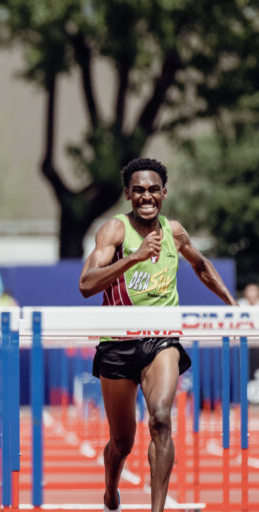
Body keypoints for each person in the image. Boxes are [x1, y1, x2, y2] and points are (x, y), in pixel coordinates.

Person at [78, 158, 237, 512]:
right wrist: (133, 258)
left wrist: (234, 305)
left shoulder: (174, 232)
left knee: (161, 420)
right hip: (117, 343)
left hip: (161, 339)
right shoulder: (114, 231)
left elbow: (201, 265)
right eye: (138, 190)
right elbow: (86, 284)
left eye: (153, 190)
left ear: (164, 193)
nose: (146, 196)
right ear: (127, 194)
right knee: (122, 442)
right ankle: (110, 489)